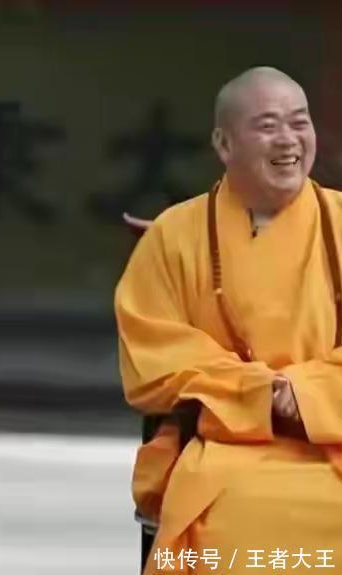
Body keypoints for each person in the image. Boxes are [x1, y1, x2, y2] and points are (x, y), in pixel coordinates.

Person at [116, 66, 342, 575]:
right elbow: (154, 357)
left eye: (299, 123)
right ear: (223, 143)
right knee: (231, 524)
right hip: (223, 445)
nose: (288, 140)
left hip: (333, 440)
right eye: (267, 125)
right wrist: (259, 394)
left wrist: (305, 394)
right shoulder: (175, 235)